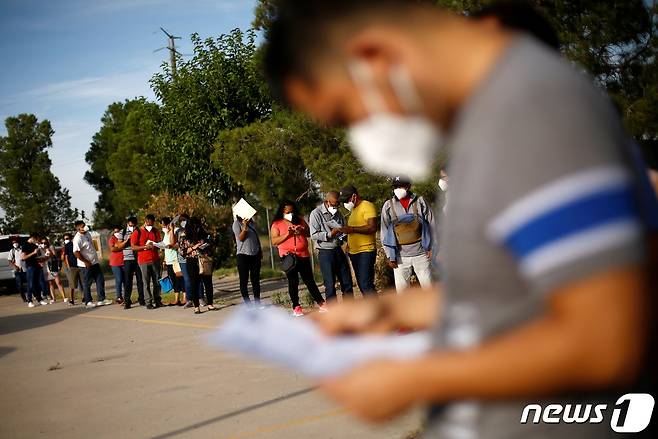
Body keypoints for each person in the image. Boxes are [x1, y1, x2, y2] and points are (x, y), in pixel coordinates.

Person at [264, 1, 655, 438]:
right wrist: (389, 308)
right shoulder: (495, 116)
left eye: (344, 113)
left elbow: (604, 340)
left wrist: (413, 378)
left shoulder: (531, 109)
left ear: (373, 58)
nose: (358, 134)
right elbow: (508, 298)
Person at [270, 201, 327, 316]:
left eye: (292, 211)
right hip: (288, 257)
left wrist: (302, 230)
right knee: (293, 282)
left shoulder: (300, 220)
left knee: (309, 280)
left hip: (303, 255)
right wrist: (288, 234)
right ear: (282, 212)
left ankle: (322, 303)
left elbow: (309, 233)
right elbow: (274, 241)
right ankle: (296, 306)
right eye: (288, 212)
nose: (291, 214)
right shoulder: (277, 224)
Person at [381, 176, 434, 292]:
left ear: (408, 186)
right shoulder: (388, 205)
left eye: (401, 186)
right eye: (396, 186)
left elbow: (431, 224)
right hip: (400, 257)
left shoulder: (420, 201)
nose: (398, 189)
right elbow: (384, 232)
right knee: (402, 293)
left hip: (421, 254)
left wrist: (432, 247)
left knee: (429, 290)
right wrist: (390, 255)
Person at [309, 191, 354, 302]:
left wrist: (344, 234)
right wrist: (330, 234)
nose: (336, 206)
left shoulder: (338, 213)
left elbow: (343, 228)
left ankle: (350, 308)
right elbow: (313, 235)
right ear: (327, 202)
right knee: (330, 284)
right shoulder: (316, 213)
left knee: (347, 281)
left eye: (338, 204)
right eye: (334, 204)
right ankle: (334, 312)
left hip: (338, 249)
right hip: (325, 252)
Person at [338, 186, 378, 296]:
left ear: (354, 196)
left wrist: (351, 229)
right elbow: (354, 232)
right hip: (354, 252)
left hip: (366, 250)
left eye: (346, 200)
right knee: (361, 285)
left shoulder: (367, 206)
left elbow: (372, 227)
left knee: (366, 284)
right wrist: (349, 244)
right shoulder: (354, 210)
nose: (345, 203)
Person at [177, 217, 218, 314]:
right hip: (192, 261)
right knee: (194, 284)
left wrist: (206, 246)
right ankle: (196, 306)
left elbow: (212, 245)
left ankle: (210, 304)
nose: (197, 228)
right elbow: (182, 252)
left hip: (204, 260)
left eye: (198, 225)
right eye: (194, 226)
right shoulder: (184, 236)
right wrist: (193, 247)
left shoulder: (204, 234)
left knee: (208, 283)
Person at [73, 221, 109, 308]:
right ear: (78, 228)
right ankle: (88, 301)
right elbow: (76, 252)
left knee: (100, 280)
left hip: (94, 262)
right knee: (87, 283)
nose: (85, 227)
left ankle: (101, 299)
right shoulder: (78, 238)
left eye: (84, 225)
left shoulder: (87, 234)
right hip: (85, 265)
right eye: (82, 226)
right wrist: (85, 261)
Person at [130, 214, 163, 309]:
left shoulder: (155, 230)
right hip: (143, 261)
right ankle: (148, 302)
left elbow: (159, 242)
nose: (150, 225)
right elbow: (133, 246)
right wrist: (145, 247)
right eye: (149, 223)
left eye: (152, 223)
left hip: (155, 259)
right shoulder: (138, 232)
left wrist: (157, 245)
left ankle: (158, 300)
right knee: (146, 282)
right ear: (145, 221)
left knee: (157, 281)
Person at [232, 213, 263, 307]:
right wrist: (244, 226)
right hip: (242, 255)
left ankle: (257, 302)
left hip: (255, 254)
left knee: (255, 280)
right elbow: (240, 238)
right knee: (244, 280)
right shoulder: (236, 224)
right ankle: (248, 303)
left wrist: (260, 251)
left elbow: (256, 238)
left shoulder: (252, 223)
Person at [121, 216, 145, 309]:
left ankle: (142, 299)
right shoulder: (123, 232)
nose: (132, 227)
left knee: (140, 280)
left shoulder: (139, 231)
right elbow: (119, 245)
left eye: (134, 225)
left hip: (138, 258)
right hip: (127, 259)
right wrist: (127, 240)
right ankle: (127, 301)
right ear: (127, 224)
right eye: (130, 225)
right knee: (128, 281)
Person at [161, 216, 185, 306]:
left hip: (176, 259)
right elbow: (165, 247)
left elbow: (173, 243)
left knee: (180, 279)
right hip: (169, 260)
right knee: (173, 280)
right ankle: (176, 299)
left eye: (163, 225)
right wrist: (164, 260)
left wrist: (172, 229)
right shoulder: (165, 233)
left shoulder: (175, 231)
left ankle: (185, 298)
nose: (163, 227)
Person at [21, 233, 48, 307]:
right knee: (30, 284)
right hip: (30, 267)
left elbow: (38, 256)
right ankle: (29, 300)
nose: (37, 241)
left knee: (38, 284)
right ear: (32, 238)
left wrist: (42, 259)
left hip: (38, 266)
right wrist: (33, 253)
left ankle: (40, 299)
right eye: (36, 239)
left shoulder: (35, 245)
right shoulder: (25, 245)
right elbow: (23, 257)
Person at [171, 213, 192, 308]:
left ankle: (199, 297)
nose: (182, 222)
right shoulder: (178, 231)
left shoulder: (191, 229)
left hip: (192, 256)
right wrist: (172, 229)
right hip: (182, 258)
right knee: (186, 278)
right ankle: (189, 299)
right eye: (180, 220)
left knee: (195, 278)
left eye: (183, 220)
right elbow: (173, 242)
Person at [40, 237, 66, 303]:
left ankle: (64, 297)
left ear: (47, 242)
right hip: (45, 268)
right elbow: (40, 259)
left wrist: (50, 254)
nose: (44, 244)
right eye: (42, 243)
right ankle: (53, 298)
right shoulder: (40, 249)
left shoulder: (51, 247)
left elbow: (55, 256)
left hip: (53, 266)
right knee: (50, 283)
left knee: (58, 282)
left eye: (45, 242)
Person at [108, 226, 127, 305]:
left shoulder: (124, 238)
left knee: (125, 280)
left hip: (124, 261)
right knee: (118, 279)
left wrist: (118, 246)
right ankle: (119, 297)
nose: (117, 233)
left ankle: (127, 297)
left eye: (118, 231)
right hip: (115, 262)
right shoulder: (112, 239)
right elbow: (112, 249)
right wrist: (121, 247)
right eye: (115, 232)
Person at [61, 232, 82, 305]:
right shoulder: (67, 246)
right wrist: (69, 266)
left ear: (71, 238)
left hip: (80, 265)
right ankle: (71, 299)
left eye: (67, 238)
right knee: (72, 285)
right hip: (72, 267)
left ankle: (85, 297)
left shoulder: (76, 244)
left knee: (83, 283)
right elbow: (66, 257)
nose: (66, 240)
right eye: (65, 239)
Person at [7, 236, 28, 302]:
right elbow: (10, 260)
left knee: (30, 283)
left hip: (25, 269)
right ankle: (24, 297)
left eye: (16, 242)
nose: (15, 244)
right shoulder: (12, 251)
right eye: (13, 243)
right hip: (17, 271)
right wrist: (15, 266)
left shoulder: (23, 248)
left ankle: (35, 295)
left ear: (18, 242)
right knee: (20, 285)